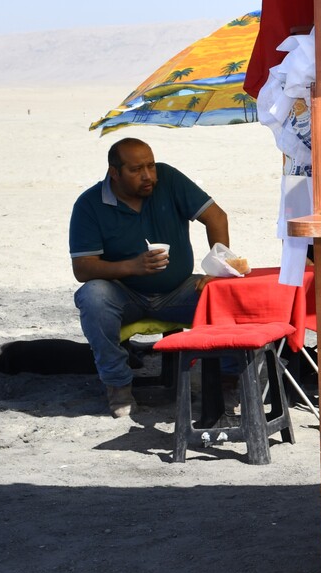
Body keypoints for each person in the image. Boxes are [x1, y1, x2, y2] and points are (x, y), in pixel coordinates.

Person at [68, 138, 232, 418]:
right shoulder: (89, 204)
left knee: (229, 294)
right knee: (92, 296)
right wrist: (132, 266)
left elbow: (216, 217)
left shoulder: (168, 180)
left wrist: (218, 268)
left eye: (151, 166)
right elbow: (82, 268)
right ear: (114, 173)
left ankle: (229, 383)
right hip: (125, 294)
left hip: (179, 289)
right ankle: (118, 385)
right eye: (136, 170)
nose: (149, 176)